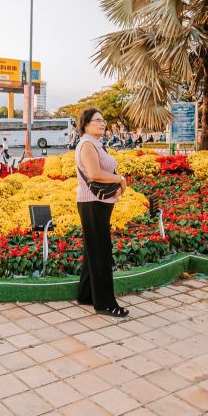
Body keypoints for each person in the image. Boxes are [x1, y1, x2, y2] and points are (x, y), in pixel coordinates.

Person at [75, 108, 130, 318]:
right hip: (93, 203)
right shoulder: (88, 144)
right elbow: (94, 174)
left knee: (93, 251)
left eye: (103, 120)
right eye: (97, 120)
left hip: (98, 202)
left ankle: (86, 294)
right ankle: (105, 303)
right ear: (86, 124)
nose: (102, 123)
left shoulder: (95, 143)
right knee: (101, 253)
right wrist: (120, 179)